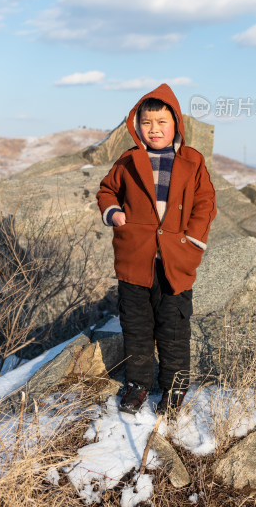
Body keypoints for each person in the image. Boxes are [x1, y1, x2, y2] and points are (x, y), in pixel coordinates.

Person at [96, 83, 216, 415]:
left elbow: (205, 203)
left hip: (176, 261)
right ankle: (137, 386)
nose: (154, 129)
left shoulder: (192, 161)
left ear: (176, 123)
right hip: (135, 259)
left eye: (162, 122)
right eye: (147, 123)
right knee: (136, 327)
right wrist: (114, 213)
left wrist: (193, 241)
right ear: (137, 125)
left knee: (174, 328)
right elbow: (107, 190)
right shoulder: (129, 160)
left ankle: (174, 389)